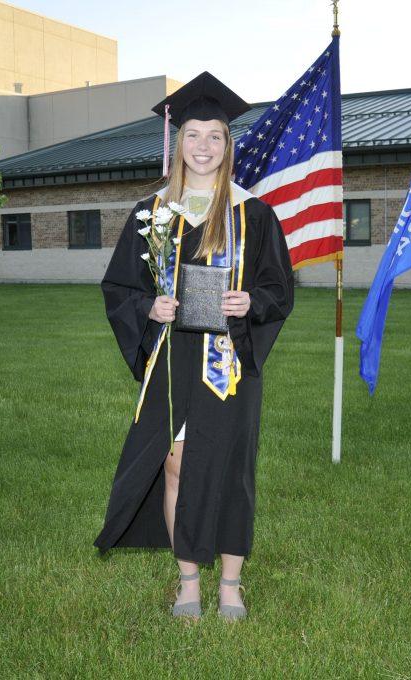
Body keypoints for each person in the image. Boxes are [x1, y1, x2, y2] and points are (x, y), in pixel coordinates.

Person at [93, 72, 294, 621]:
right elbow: (119, 288)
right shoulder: (152, 214)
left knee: (231, 467)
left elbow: (280, 289)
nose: (203, 146)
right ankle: (188, 580)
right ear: (176, 143)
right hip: (172, 359)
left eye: (215, 136)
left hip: (230, 359)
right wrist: (148, 309)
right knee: (176, 464)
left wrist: (248, 303)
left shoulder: (253, 214)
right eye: (192, 135)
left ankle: (230, 582)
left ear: (229, 146)